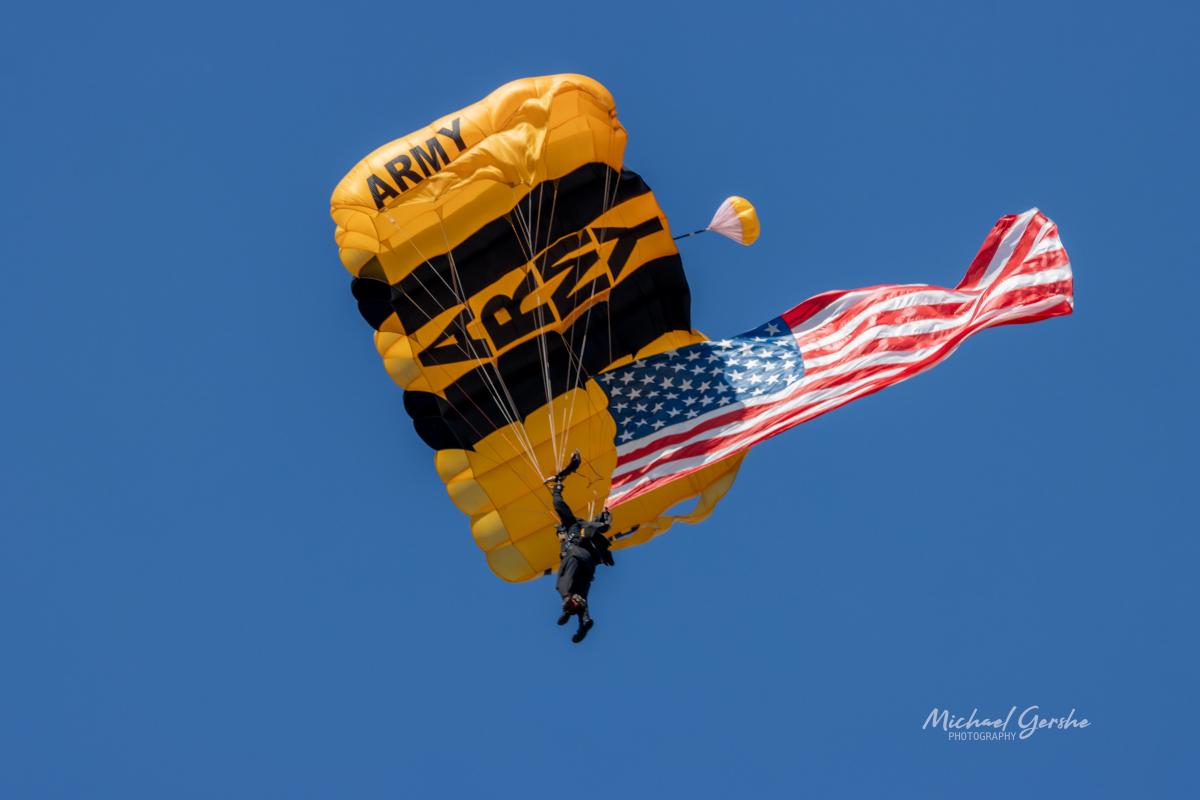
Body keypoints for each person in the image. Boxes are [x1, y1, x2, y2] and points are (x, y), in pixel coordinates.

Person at [545, 450, 616, 643]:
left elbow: (560, 507)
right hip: (586, 564)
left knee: (563, 582)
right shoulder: (571, 535)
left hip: (577, 557)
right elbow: (565, 539)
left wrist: (557, 488)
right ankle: (584, 620)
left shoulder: (573, 525)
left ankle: (569, 601)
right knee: (579, 592)